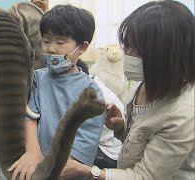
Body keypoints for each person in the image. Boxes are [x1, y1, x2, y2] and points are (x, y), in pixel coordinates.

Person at [58, 1, 195, 179]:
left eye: (136, 50)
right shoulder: (144, 83)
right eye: (126, 46)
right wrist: (121, 127)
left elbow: (145, 176)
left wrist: (90, 171)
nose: (127, 55)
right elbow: (141, 139)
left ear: (165, 54)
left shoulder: (183, 115)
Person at [8, 4, 106, 180]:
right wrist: (32, 152)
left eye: (60, 42)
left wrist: (51, 170)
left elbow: (83, 145)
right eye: (46, 41)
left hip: (68, 170)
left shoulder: (91, 92)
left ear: (82, 47)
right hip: (36, 165)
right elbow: (29, 116)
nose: (50, 49)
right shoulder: (36, 78)